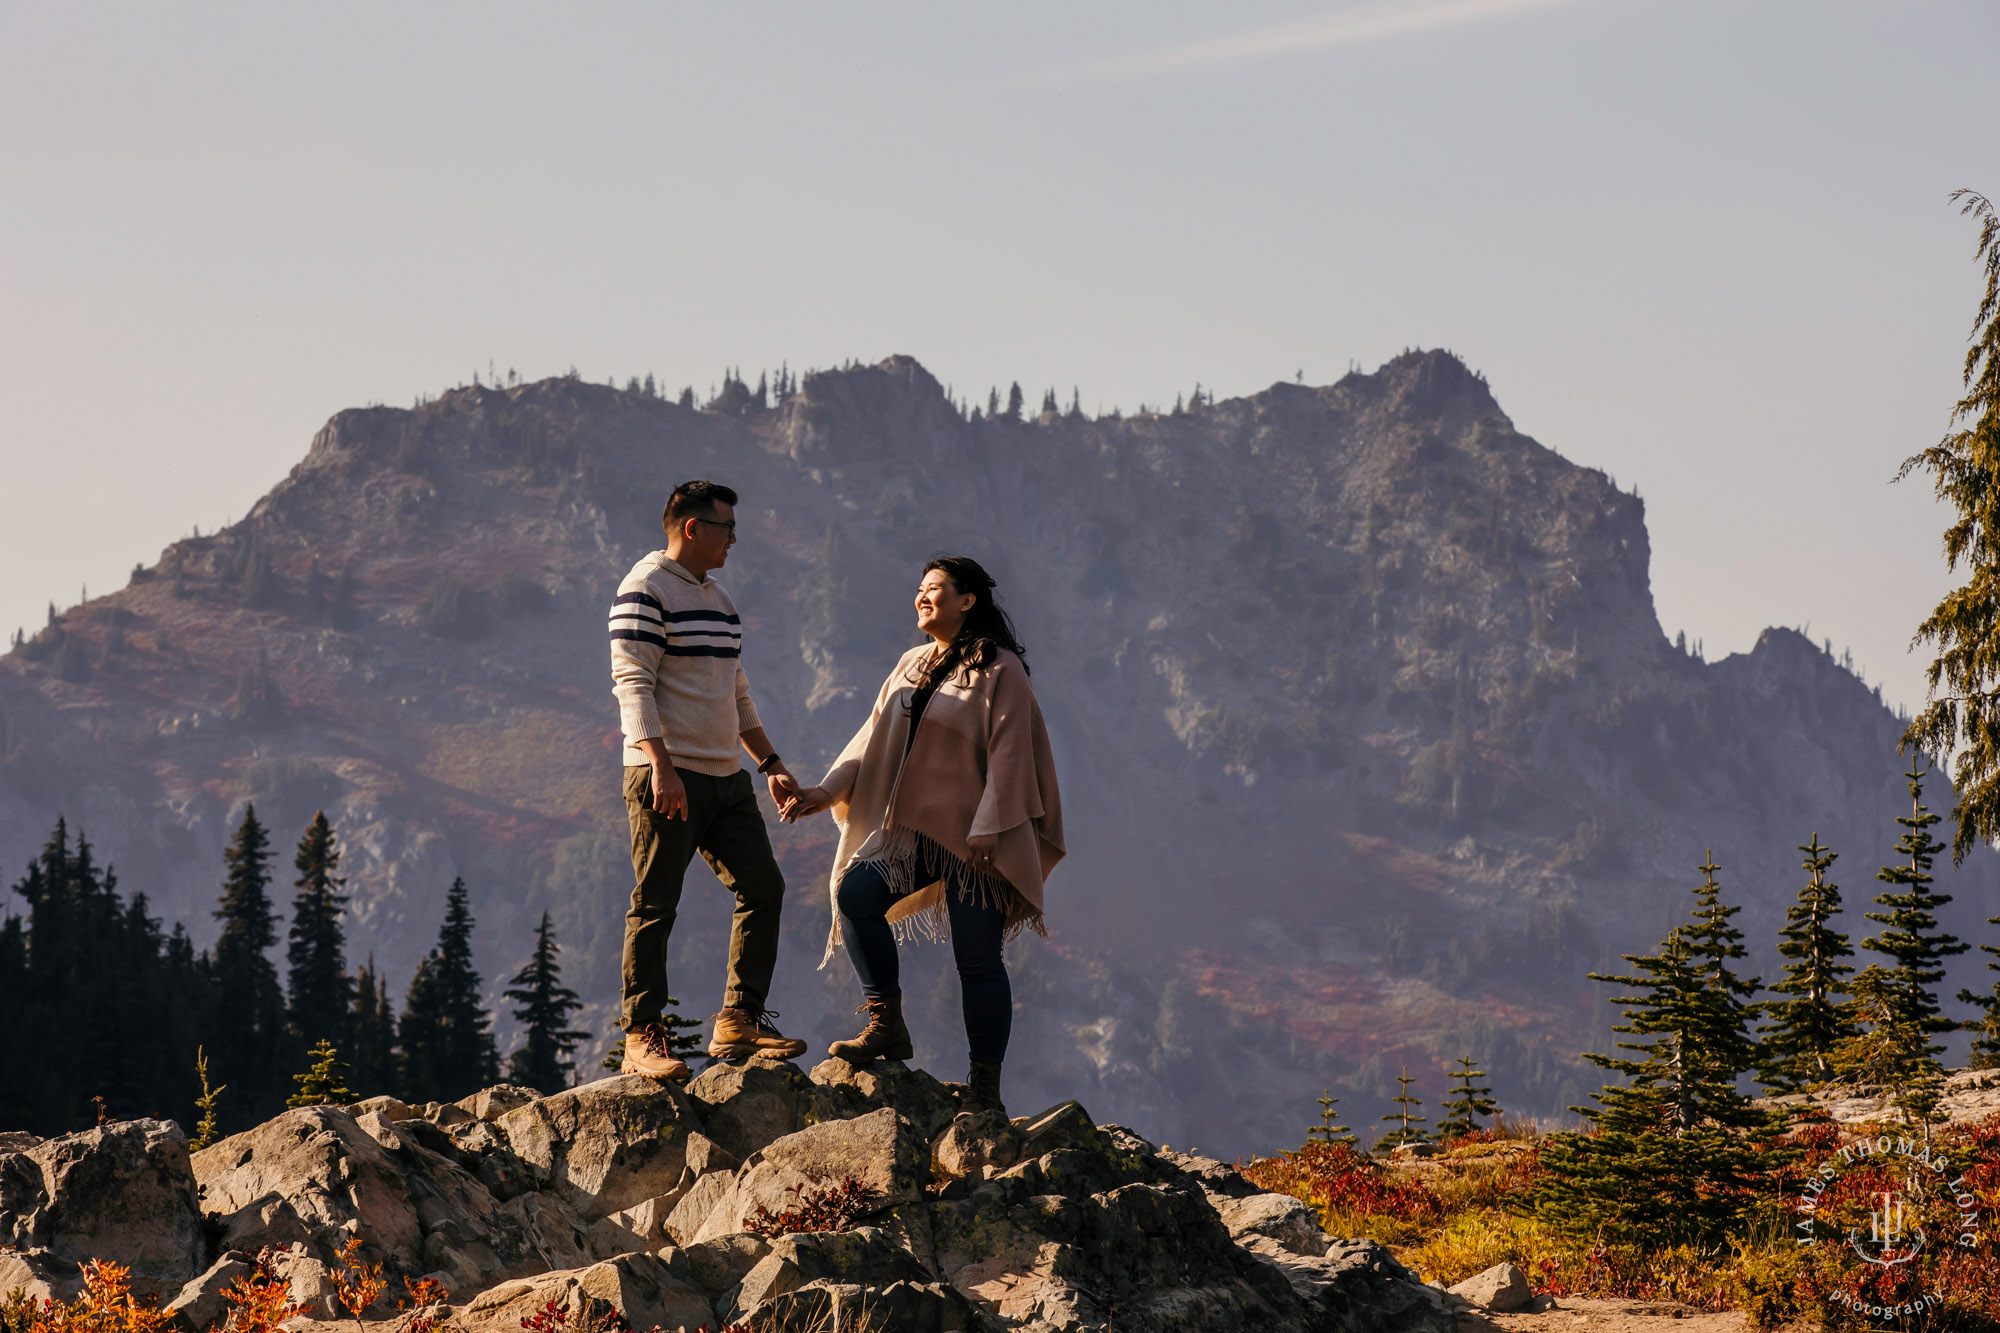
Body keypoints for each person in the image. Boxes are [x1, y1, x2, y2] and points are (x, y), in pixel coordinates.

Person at [781, 556, 1063, 1114]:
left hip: (979, 840)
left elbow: (1012, 754)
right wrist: (824, 789)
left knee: (977, 961)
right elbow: (871, 736)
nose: (921, 598)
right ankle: (886, 1022)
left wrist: (991, 825)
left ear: (968, 600)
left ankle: (984, 1088)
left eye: (934, 590)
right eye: (919, 589)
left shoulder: (999, 670)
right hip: (913, 834)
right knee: (855, 895)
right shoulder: (911, 664)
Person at [609, 479, 809, 1080]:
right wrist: (660, 765)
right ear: (692, 528)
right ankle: (642, 1037)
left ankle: (739, 1020)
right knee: (655, 905)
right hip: (666, 777)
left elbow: (734, 692)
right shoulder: (643, 590)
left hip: (726, 779)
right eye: (726, 529)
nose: (734, 540)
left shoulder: (719, 600)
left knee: (764, 887)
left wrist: (770, 764)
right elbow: (632, 682)